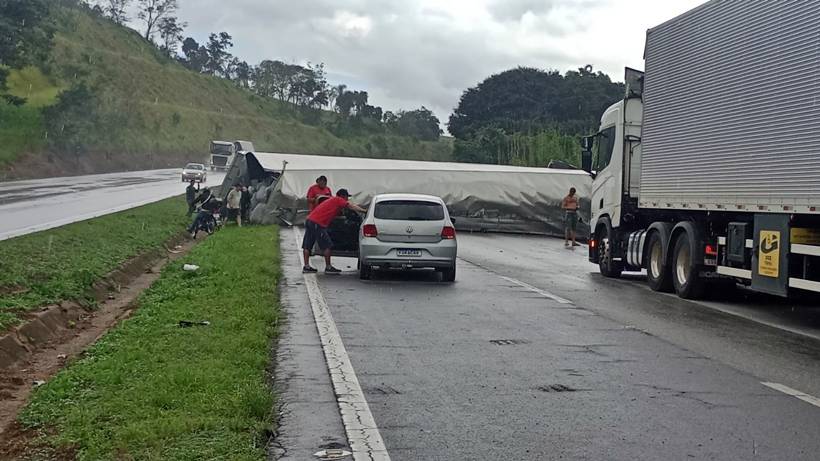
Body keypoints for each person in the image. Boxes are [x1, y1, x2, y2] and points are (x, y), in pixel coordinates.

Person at [302, 189, 366, 274]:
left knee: (307, 245)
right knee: (327, 245)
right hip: (318, 223)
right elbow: (351, 206)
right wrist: (364, 211)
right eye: (347, 197)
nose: (347, 199)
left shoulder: (332, 200)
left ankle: (306, 266)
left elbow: (335, 213)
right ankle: (328, 267)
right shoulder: (338, 200)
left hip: (310, 220)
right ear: (343, 196)